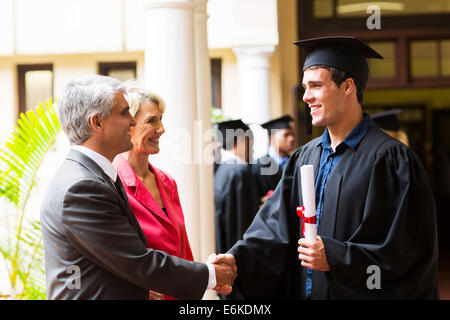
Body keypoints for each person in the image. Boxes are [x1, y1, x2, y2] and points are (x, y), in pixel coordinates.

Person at [214, 36, 439, 299]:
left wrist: (335, 256)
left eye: (316, 86)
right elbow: (273, 229)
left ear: (348, 87)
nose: (307, 97)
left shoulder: (390, 159)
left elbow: (407, 250)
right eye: (305, 87)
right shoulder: (304, 158)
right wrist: (236, 261)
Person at [40, 75, 236, 299]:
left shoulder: (93, 176)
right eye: (124, 113)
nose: (132, 122)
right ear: (97, 122)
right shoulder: (83, 187)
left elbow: (112, 264)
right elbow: (137, 261)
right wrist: (211, 275)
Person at [111, 85, 193, 300]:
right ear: (129, 125)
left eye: (161, 119)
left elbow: (183, 248)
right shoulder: (111, 183)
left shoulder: (168, 182)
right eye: (151, 121)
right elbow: (111, 259)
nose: (162, 128)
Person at [213, 119, 260, 300]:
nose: (253, 150)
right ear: (242, 141)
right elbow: (243, 222)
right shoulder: (239, 172)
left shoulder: (221, 170)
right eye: (251, 143)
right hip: (235, 263)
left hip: (221, 250)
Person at [252, 115, 296, 202]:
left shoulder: (295, 162)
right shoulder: (258, 166)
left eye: (292, 135)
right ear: (272, 138)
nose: (292, 138)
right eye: (286, 135)